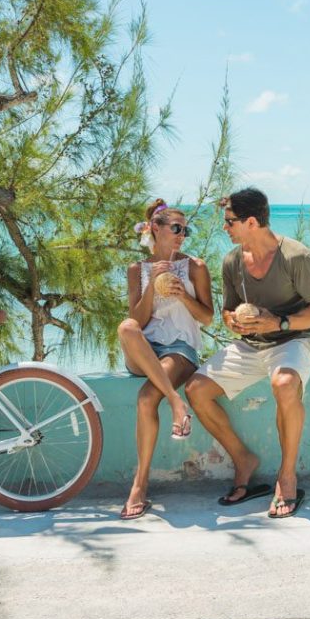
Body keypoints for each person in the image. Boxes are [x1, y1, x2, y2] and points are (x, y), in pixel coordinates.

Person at [185, 187, 310, 520]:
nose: (225, 228)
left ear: (251, 222)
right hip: (251, 345)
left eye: (230, 222)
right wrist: (234, 322)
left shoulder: (297, 257)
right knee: (196, 390)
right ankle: (243, 459)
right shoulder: (232, 261)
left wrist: (278, 322)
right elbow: (226, 311)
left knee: (283, 385)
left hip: (293, 341)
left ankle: (287, 476)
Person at [117, 199, 214, 520]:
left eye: (185, 230)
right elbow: (138, 322)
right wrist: (151, 288)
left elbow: (208, 318)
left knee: (146, 399)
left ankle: (139, 485)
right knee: (127, 326)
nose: (182, 235)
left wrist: (182, 294)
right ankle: (176, 402)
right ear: (154, 230)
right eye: (175, 228)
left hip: (179, 349)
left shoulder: (195, 267)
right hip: (145, 350)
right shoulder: (137, 270)